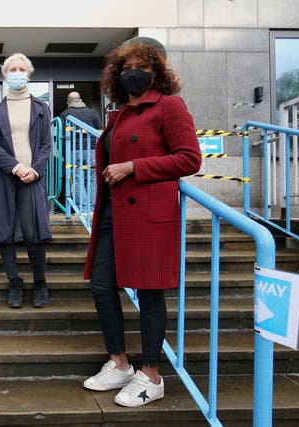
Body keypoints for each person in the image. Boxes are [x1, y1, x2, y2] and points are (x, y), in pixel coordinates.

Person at [82, 37, 201, 407]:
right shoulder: (118, 114)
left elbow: (189, 159)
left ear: (158, 72)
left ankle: (151, 375)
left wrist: (134, 167)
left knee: (150, 293)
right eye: (128, 67)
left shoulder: (169, 107)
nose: (135, 74)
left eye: (144, 68)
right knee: (102, 286)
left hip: (149, 214)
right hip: (112, 213)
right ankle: (119, 363)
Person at [0, 53, 53, 309]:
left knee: (33, 233)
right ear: (5, 74)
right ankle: (14, 283)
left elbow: (46, 144)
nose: (17, 72)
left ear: (29, 73)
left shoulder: (41, 108)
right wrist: (15, 167)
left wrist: (35, 170)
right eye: (13, 68)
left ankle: (40, 283)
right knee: (5, 234)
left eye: (22, 68)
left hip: (33, 178)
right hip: (4, 178)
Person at [59, 92, 102, 213]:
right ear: (81, 99)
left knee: (78, 179)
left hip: (73, 150)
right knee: (92, 179)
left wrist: (64, 155)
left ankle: (83, 209)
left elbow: (62, 136)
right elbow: (99, 132)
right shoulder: (92, 113)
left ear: (68, 102)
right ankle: (93, 209)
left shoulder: (65, 114)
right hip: (92, 151)